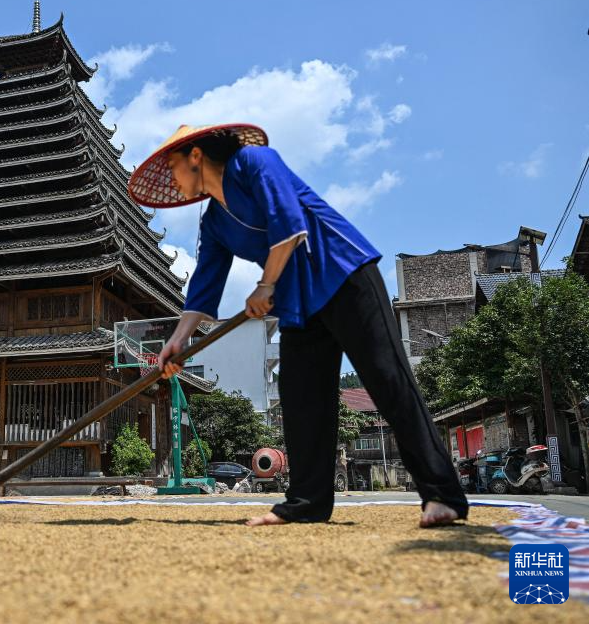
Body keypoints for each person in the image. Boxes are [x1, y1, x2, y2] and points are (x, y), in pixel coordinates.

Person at [127, 124, 468, 528]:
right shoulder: (214, 222)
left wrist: (264, 284)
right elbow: (204, 287)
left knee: (387, 380)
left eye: (174, 167)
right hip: (296, 301)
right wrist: (177, 343)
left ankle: (441, 494)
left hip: (342, 272)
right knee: (303, 402)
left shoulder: (254, 162)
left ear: (196, 157)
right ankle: (307, 502)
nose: (174, 179)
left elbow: (289, 225)